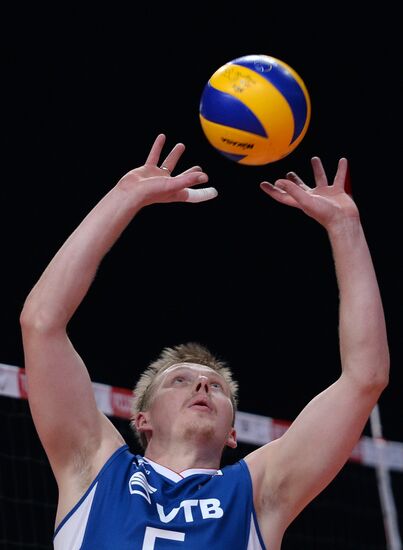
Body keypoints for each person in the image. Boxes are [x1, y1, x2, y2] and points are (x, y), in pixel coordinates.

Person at [20, 133, 389, 550]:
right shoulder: (95, 466)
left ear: (232, 432)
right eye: (180, 381)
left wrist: (346, 227)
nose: (202, 386)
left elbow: (365, 377)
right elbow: (40, 323)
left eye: (215, 387)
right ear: (142, 420)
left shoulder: (257, 491)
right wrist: (125, 197)